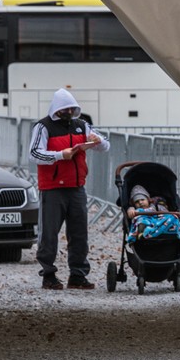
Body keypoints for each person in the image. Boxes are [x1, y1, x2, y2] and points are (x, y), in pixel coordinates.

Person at [28, 89, 109, 290]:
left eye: (72, 109)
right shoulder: (43, 126)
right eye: (66, 109)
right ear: (58, 109)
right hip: (52, 188)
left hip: (76, 187)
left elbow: (105, 145)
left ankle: (78, 275)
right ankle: (48, 274)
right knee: (49, 234)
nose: (70, 112)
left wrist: (97, 141)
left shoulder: (82, 126)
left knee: (79, 233)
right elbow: (34, 154)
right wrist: (59, 155)